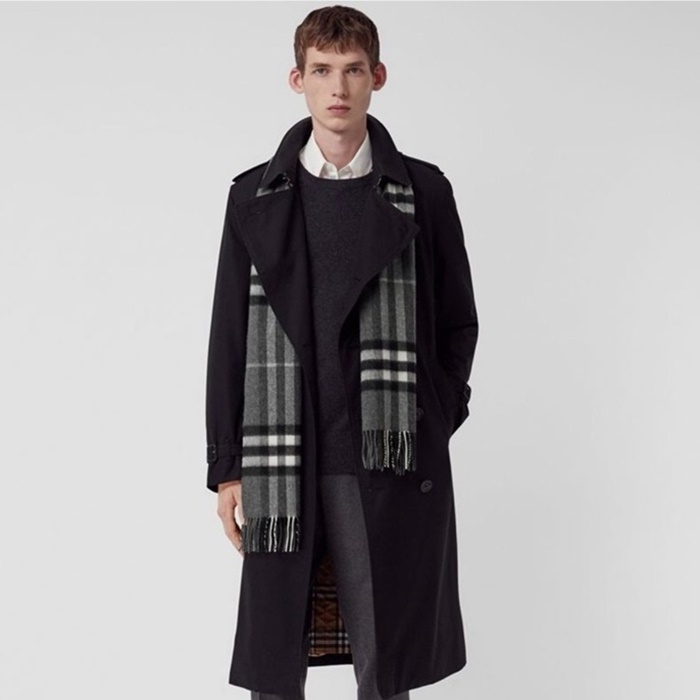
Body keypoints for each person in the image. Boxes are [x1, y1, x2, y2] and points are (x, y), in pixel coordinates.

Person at [205, 5, 479, 700]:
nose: (338, 87)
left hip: (384, 462)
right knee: (276, 672)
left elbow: (457, 324)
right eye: (322, 70)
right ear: (296, 78)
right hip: (282, 460)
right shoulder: (253, 196)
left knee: (385, 668)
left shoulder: (423, 191)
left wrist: (431, 416)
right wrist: (228, 467)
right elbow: (229, 336)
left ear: (377, 77)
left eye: (353, 70)